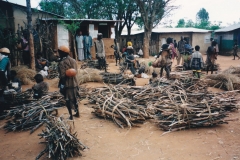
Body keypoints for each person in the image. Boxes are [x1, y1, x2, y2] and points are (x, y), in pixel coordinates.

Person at [58, 45, 79, 120]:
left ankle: (71, 116)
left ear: (63, 53)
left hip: (68, 84)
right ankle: (77, 113)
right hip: (75, 83)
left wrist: (62, 85)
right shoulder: (73, 60)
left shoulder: (62, 63)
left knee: (67, 100)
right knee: (75, 98)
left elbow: (63, 76)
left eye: (59, 52)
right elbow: (75, 71)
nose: (58, 53)